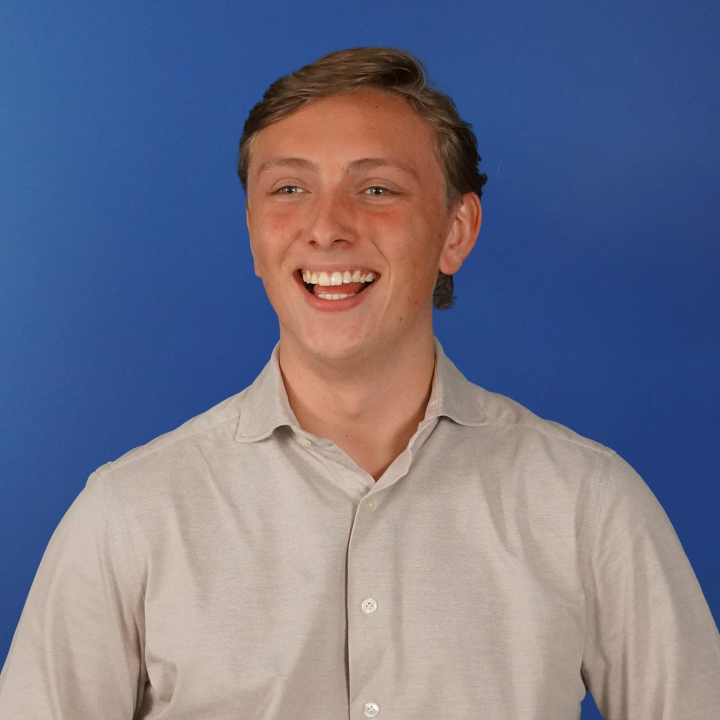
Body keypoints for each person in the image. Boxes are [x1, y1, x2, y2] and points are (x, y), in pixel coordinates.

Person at [0, 47, 718, 720]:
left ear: (456, 231)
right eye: (289, 189)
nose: (327, 228)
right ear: (254, 232)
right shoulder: (128, 517)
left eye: (377, 189)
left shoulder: (588, 506)